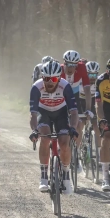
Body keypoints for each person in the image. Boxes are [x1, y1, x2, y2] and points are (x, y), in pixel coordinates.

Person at [29, 60, 79, 195]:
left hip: (60, 113)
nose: (50, 82)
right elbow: (33, 114)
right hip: (43, 112)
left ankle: (66, 175)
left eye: (54, 78)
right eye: (47, 78)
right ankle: (44, 175)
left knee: (64, 142)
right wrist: (34, 130)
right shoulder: (36, 87)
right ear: (42, 77)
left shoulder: (65, 86)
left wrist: (73, 128)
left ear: (60, 78)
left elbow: (74, 112)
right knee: (45, 138)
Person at [60, 50, 93, 165]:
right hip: (62, 94)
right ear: (64, 63)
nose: (70, 68)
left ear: (77, 65)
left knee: (78, 123)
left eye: (74, 65)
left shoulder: (82, 68)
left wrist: (88, 109)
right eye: (68, 64)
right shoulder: (59, 70)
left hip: (74, 95)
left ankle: (76, 154)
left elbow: (87, 90)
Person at [95, 57, 110, 191]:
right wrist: (102, 120)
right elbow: (98, 104)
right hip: (106, 107)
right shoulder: (100, 81)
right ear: (107, 72)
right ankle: (105, 177)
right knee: (107, 137)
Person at [79, 61, 101, 156]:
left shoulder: (99, 82)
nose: (92, 77)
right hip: (81, 102)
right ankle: (77, 150)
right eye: (90, 74)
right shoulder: (80, 81)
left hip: (92, 102)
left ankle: (100, 153)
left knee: (97, 127)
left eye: (94, 74)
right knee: (80, 125)